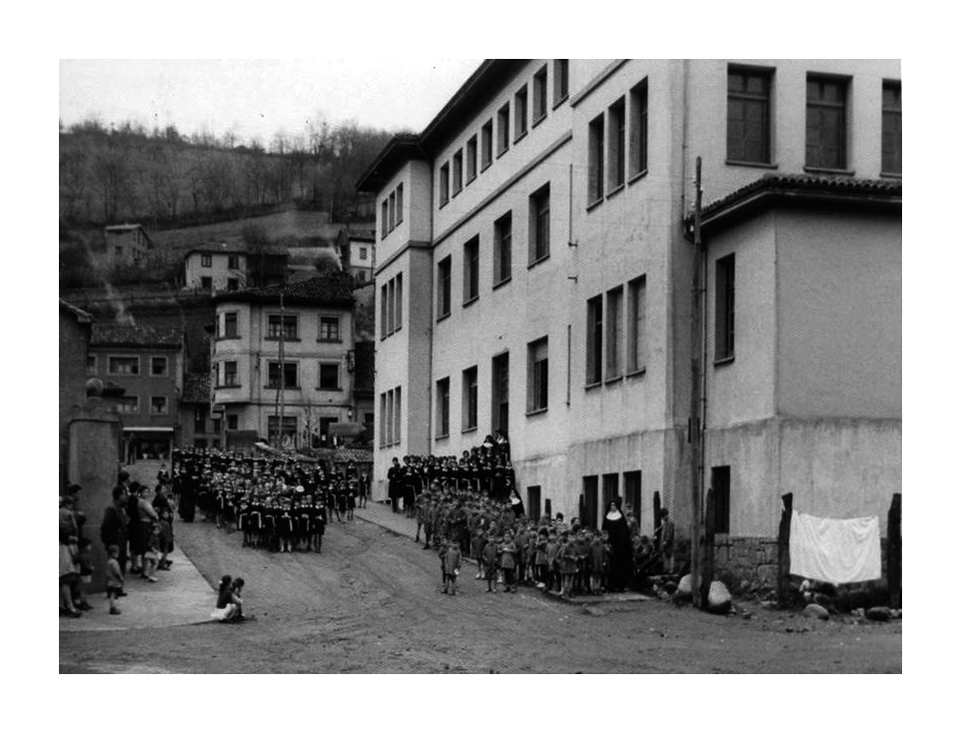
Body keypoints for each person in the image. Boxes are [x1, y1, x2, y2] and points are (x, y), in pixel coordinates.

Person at [601, 498, 633, 592]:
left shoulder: (621, 517)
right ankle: (611, 585)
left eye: (614, 505)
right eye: (611, 505)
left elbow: (624, 532)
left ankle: (621, 585)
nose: (613, 507)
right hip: (610, 545)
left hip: (620, 546)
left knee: (621, 566)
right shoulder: (607, 517)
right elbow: (604, 530)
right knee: (610, 566)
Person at [106, 545, 124, 615]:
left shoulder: (108, 561)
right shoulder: (114, 562)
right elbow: (117, 572)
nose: (118, 555)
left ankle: (112, 607)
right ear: (113, 553)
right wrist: (121, 578)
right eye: (117, 553)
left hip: (110, 580)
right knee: (113, 595)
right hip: (115, 581)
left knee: (112, 594)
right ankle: (112, 608)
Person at [658, 509, 675, 574]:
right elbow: (662, 527)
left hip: (668, 543)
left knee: (669, 556)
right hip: (665, 542)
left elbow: (669, 533)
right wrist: (658, 529)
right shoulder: (665, 522)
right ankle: (667, 569)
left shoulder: (670, 523)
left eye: (662, 517)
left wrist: (667, 541)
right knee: (666, 555)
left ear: (665, 515)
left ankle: (670, 570)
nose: (662, 519)